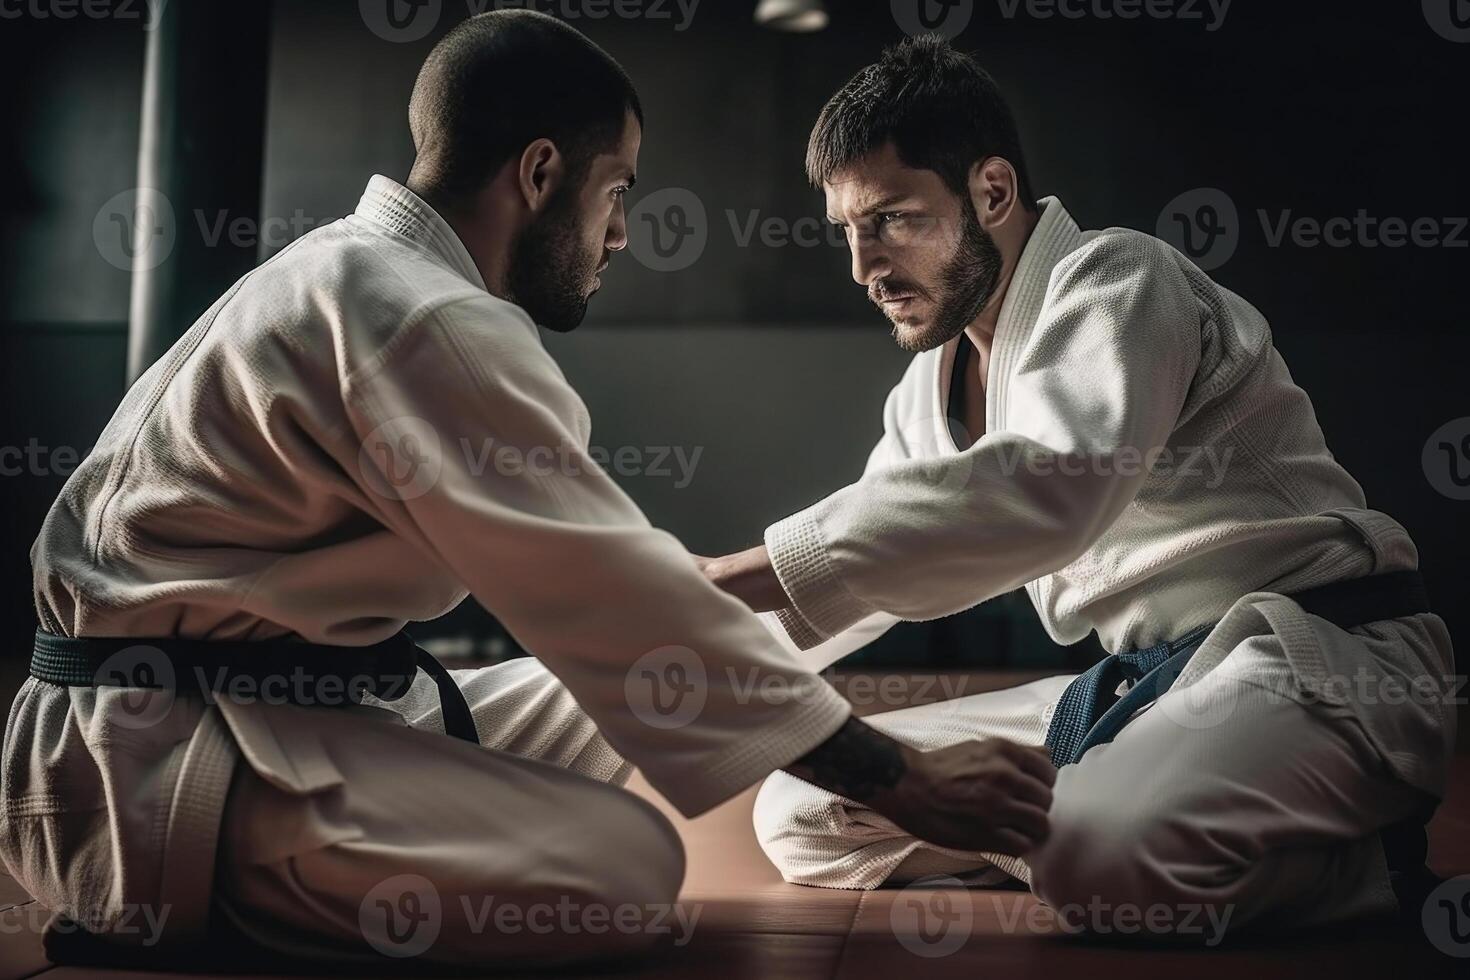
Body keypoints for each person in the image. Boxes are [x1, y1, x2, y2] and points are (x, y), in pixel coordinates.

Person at [0, 14, 1055, 969]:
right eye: (618, 191)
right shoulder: (419, 317)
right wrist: (901, 779)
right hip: (159, 772)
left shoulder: (361, 275)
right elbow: (617, 603)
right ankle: (196, 915)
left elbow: (626, 596)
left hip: (296, 701)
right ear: (542, 172)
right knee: (626, 862)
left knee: (725, 626)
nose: (622, 234)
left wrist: (761, 584)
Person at [702, 35, 1456, 939]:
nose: (864, 267)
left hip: (1317, 660)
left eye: (893, 218)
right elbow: (850, 587)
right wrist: (650, 639)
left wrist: (743, 569)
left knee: (1093, 855)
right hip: (1135, 691)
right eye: (848, 231)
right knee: (807, 812)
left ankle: (1354, 868)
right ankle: (1128, 830)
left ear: (991, 191)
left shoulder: (1118, 279)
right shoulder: (930, 389)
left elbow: (1052, 488)